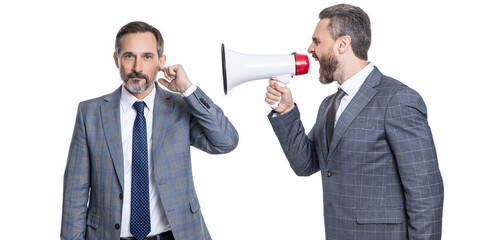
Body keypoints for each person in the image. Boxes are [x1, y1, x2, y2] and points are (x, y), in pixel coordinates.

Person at [265, 4, 443, 240]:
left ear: (342, 43)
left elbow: (425, 193)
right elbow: (305, 164)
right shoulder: (329, 105)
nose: (310, 49)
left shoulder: (397, 100)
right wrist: (286, 111)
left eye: (317, 41)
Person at [61, 21, 238, 240]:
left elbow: (226, 141)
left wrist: (188, 90)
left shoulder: (181, 107)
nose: (137, 67)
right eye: (129, 56)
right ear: (116, 60)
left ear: (161, 62)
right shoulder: (90, 113)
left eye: (147, 57)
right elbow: (74, 194)